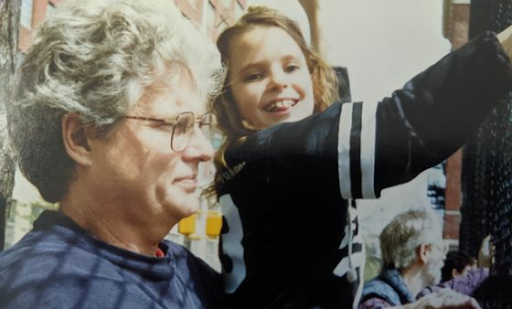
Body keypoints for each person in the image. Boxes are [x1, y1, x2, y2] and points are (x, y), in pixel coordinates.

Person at [210, 2, 512, 308]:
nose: (278, 81)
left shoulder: (254, 160)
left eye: (291, 67)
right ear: (229, 101)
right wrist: (501, 54)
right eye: (253, 76)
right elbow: (406, 128)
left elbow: (330, 113)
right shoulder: (275, 155)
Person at [0, 0, 225, 308]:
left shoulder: (186, 270)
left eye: (201, 125)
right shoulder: (56, 290)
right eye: (175, 125)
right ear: (81, 139)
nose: (203, 151)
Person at [359, 210, 480, 309]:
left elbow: (462, 284)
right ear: (424, 251)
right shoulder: (377, 294)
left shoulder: (414, 295)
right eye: (441, 248)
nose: (444, 257)